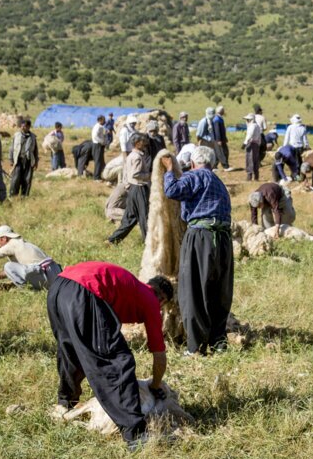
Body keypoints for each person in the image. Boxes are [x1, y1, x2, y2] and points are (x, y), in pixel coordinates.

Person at [46, 261, 173, 449]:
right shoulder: (151, 299)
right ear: (162, 299)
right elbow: (159, 356)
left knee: (71, 351)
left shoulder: (131, 288)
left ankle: (66, 402)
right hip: (84, 291)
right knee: (116, 362)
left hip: (58, 288)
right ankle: (135, 434)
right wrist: (155, 385)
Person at [161, 147, 233, 356]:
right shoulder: (219, 182)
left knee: (193, 291)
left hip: (201, 237)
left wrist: (169, 170)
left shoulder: (196, 175)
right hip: (223, 240)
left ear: (193, 163)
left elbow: (172, 191)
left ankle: (196, 347)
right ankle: (218, 342)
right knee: (218, 291)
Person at [0, 225, 59, 290]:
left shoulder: (12, 244)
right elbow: (10, 272)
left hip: (44, 276)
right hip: (55, 275)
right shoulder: (23, 243)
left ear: (4, 238)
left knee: (8, 265)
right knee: (9, 267)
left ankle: (27, 290)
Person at [107, 134, 152, 244]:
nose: (145, 142)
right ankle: (149, 243)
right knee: (144, 217)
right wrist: (150, 174)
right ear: (137, 143)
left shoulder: (132, 155)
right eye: (142, 141)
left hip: (133, 189)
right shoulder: (136, 157)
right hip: (139, 188)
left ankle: (113, 240)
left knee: (130, 218)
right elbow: (135, 174)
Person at [8, 118, 39, 198]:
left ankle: (24, 196)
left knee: (27, 179)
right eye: (21, 126)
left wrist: (36, 162)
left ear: (28, 127)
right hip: (18, 160)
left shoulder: (32, 137)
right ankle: (13, 196)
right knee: (15, 179)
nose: (22, 127)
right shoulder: (16, 135)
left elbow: (35, 150)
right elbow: (12, 148)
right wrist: (11, 160)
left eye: (25, 126)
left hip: (28, 161)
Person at [242, 113, 263, 181]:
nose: (246, 121)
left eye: (247, 120)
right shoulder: (257, 126)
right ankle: (256, 176)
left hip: (251, 144)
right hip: (256, 144)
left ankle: (249, 175)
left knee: (250, 159)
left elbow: (249, 135)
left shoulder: (252, 126)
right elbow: (259, 137)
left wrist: (244, 143)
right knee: (255, 160)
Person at [91, 114, 111, 179]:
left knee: (101, 161)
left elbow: (101, 135)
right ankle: (96, 177)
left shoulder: (101, 127)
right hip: (97, 145)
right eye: (103, 120)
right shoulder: (97, 127)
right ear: (100, 120)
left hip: (100, 145)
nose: (104, 121)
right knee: (98, 161)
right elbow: (95, 136)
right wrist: (102, 142)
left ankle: (101, 175)